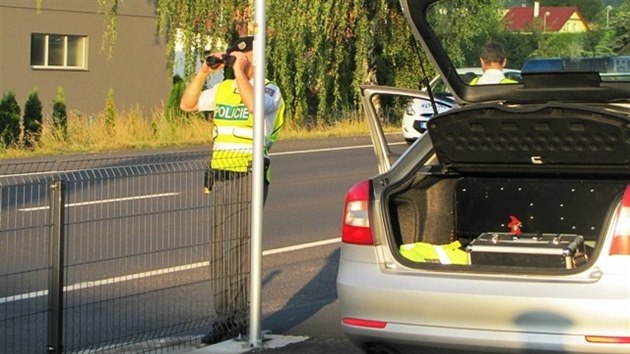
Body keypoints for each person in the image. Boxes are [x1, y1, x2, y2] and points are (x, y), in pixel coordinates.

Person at [180, 35, 284, 345]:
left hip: (249, 176)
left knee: (239, 250)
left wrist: (241, 72)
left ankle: (240, 319)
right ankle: (224, 317)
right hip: (222, 175)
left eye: (245, 54)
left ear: (257, 56)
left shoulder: (269, 89)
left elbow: (254, 107)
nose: (238, 58)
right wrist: (203, 73)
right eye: (234, 55)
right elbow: (188, 104)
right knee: (220, 252)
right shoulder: (223, 89)